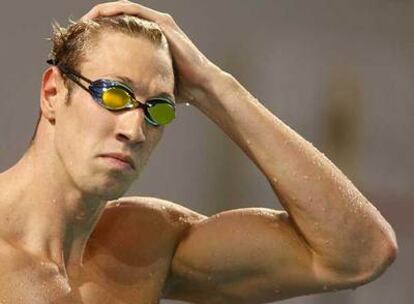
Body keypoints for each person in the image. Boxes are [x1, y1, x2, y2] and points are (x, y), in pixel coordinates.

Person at [0, 1, 397, 303]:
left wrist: (214, 87)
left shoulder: (142, 248)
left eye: (158, 109)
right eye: (115, 95)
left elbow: (360, 253)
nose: (135, 129)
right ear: (53, 92)